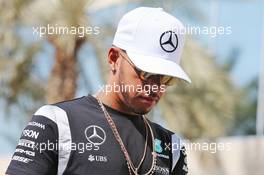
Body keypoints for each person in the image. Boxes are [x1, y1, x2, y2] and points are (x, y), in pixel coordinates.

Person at [6, 7, 190, 175]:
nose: (155, 86)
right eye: (146, 72)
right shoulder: (57, 122)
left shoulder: (171, 147)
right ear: (114, 58)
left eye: (166, 78)